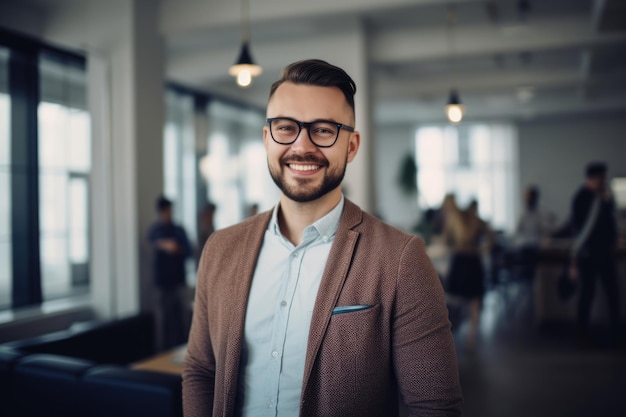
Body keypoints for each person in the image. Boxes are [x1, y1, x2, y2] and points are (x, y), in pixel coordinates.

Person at [183, 59, 462, 416]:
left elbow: (434, 406)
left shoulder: (401, 260)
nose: (302, 146)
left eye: (324, 130)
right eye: (286, 128)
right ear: (267, 138)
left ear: (351, 145)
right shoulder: (221, 249)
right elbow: (201, 371)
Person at [569, 162, 620, 342]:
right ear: (592, 178)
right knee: (587, 293)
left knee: (613, 293)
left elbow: (610, 222)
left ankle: (616, 333)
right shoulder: (581, 198)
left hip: (605, 253)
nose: (603, 181)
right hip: (589, 254)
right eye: (601, 178)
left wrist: (607, 201)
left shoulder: (604, 197)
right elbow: (578, 229)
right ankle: (582, 334)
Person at [443, 196, 493, 350]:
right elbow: (492, 239)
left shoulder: (455, 220)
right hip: (472, 259)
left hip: (461, 259)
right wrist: (481, 249)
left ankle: (452, 333)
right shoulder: (477, 221)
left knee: (457, 297)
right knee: (474, 299)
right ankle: (471, 335)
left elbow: (447, 240)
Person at [148, 195, 192, 350]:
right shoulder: (156, 230)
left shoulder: (179, 230)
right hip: (161, 283)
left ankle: (185, 351)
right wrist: (164, 244)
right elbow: (152, 240)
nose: (168, 214)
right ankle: (161, 354)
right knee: (162, 321)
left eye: (170, 211)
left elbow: (189, 251)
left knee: (182, 319)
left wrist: (177, 248)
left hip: (178, 281)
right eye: (166, 211)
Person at [513, 185, 557, 280]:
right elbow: (517, 230)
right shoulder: (523, 212)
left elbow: (546, 228)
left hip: (536, 246)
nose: (528, 198)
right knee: (526, 273)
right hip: (525, 246)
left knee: (536, 272)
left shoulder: (541, 211)